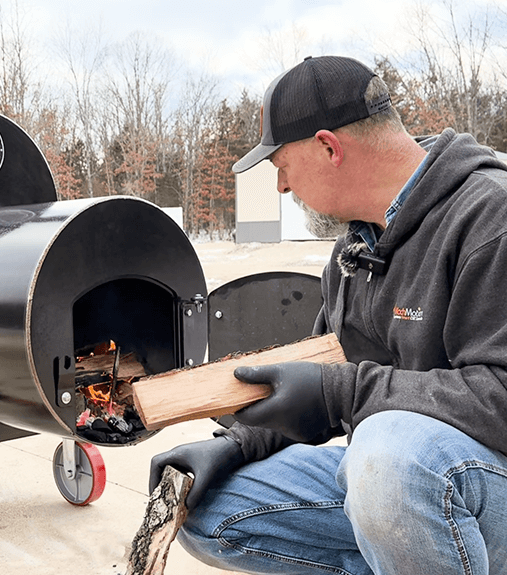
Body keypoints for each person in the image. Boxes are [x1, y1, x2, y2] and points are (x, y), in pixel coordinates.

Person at [149, 55, 507, 574]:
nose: (281, 187)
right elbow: (324, 380)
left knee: (389, 456)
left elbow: (499, 394)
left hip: (471, 480)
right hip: (404, 482)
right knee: (210, 510)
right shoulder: (354, 252)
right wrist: (237, 446)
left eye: (281, 166)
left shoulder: (490, 218)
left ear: (328, 147)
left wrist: (340, 394)